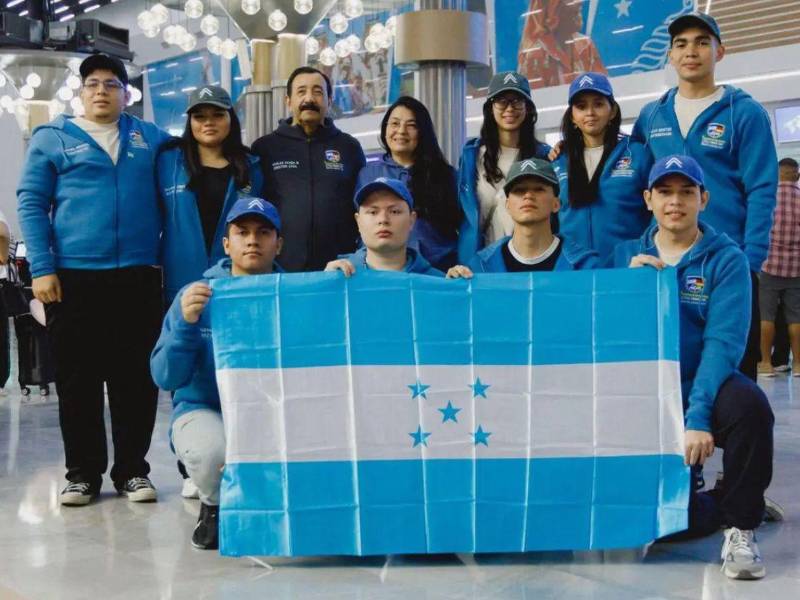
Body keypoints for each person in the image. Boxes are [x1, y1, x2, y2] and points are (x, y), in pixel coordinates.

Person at [17, 53, 171, 506]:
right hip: (74, 278)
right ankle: (82, 474)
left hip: (138, 277)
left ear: (126, 94)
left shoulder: (149, 137)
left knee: (136, 381)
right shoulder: (53, 138)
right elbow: (31, 202)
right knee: (78, 382)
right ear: (81, 93)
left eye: (111, 84)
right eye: (93, 84)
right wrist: (42, 268)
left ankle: (132, 471)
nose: (101, 91)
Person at [610, 154, 774, 580]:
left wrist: (698, 416)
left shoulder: (727, 259)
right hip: (643, 392)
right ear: (648, 199)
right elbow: (606, 338)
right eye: (665, 192)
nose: (675, 202)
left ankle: (741, 525)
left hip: (701, 383)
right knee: (666, 526)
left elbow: (723, 345)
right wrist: (626, 288)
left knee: (750, 407)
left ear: (704, 198)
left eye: (686, 192)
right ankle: (724, 498)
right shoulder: (624, 256)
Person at [632, 12, 778, 380]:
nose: (690, 51)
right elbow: (632, 176)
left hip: (728, 263)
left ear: (720, 52)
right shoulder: (652, 116)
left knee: (733, 372)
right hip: (665, 265)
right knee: (668, 370)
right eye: (680, 44)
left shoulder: (744, 113)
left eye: (701, 42)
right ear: (670, 55)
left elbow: (762, 188)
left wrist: (750, 261)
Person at [150, 196, 283, 550]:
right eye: (242, 232)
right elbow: (165, 377)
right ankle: (215, 506)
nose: (252, 240)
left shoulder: (294, 296)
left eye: (263, 232)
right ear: (226, 244)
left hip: (273, 410)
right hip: (205, 409)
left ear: (278, 243)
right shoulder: (196, 295)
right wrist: (185, 325)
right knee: (212, 452)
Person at [157, 85, 262, 499]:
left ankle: (241, 451)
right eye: (199, 116)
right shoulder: (168, 162)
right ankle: (192, 463)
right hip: (181, 281)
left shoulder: (250, 166)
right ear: (189, 122)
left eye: (217, 114)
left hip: (235, 285)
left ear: (230, 119)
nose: (208, 122)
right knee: (185, 365)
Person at [252, 66, 366, 272]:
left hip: (340, 268)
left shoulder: (349, 147)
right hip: (280, 267)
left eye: (317, 92)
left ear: (329, 100)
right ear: (288, 101)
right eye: (301, 91)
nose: (309, 99)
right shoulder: (265, 147)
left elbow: (362, 205)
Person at [553, 73, 652, 260]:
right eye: (581, 106)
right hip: (575, 268)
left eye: (598, 104)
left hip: (629, 265)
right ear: (572, 116)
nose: (590, 112)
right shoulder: (558, 161)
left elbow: (658, 210)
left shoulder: (637, 154)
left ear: (612, 111)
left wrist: (645, 252)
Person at [356, 96, 461, 271]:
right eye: (395, 123)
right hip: (382, 272)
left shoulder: (445, 175)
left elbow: (463, 227)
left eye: (411, 125)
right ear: (385, 128)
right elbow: (360, 229)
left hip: (436, 272)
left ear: (422, 132)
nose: (401, 131)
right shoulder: (368, 174)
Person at [458, 71, 551, 263]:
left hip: (530, 261)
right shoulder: (472, 156)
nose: (510, 108)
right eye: (501, 101)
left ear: (528, 108)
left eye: (517, 101)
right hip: (480, 262)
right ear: (491, 107)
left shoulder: (543, 156)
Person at [447, 159, 597, 278]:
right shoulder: (480, 267)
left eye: (538, 189)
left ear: (556, 204)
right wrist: (455, 286)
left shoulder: (585, 266)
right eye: (519, 190)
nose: (528, 195)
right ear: (507, 205)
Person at [324, 178, 443, 277]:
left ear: (411, 220)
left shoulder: (437, 284)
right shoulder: (338, 276)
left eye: (394, 211)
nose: (383, 220)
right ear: (358, 222)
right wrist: (325, 285)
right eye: (373, 212)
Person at [758, 158, 800, 377]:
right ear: (797, 176)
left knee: (767, 317)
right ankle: (799, 364)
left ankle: (766, 363)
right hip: (796, 269)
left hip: (768, 266)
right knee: (796, 318)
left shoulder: (767, 199)